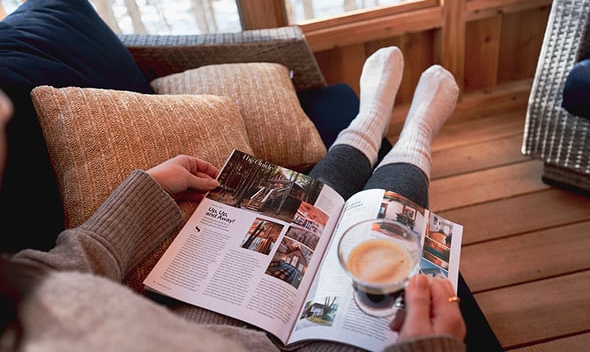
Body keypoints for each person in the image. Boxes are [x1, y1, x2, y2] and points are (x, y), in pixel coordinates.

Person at [0, 40, 469, 350]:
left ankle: (367, 122)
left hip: (214, 312)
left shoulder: (11, 291)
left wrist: (147, 191)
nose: (4, 107)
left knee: (313, 201)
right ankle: (418, 134)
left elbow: (61, 267)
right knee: (386, 223)